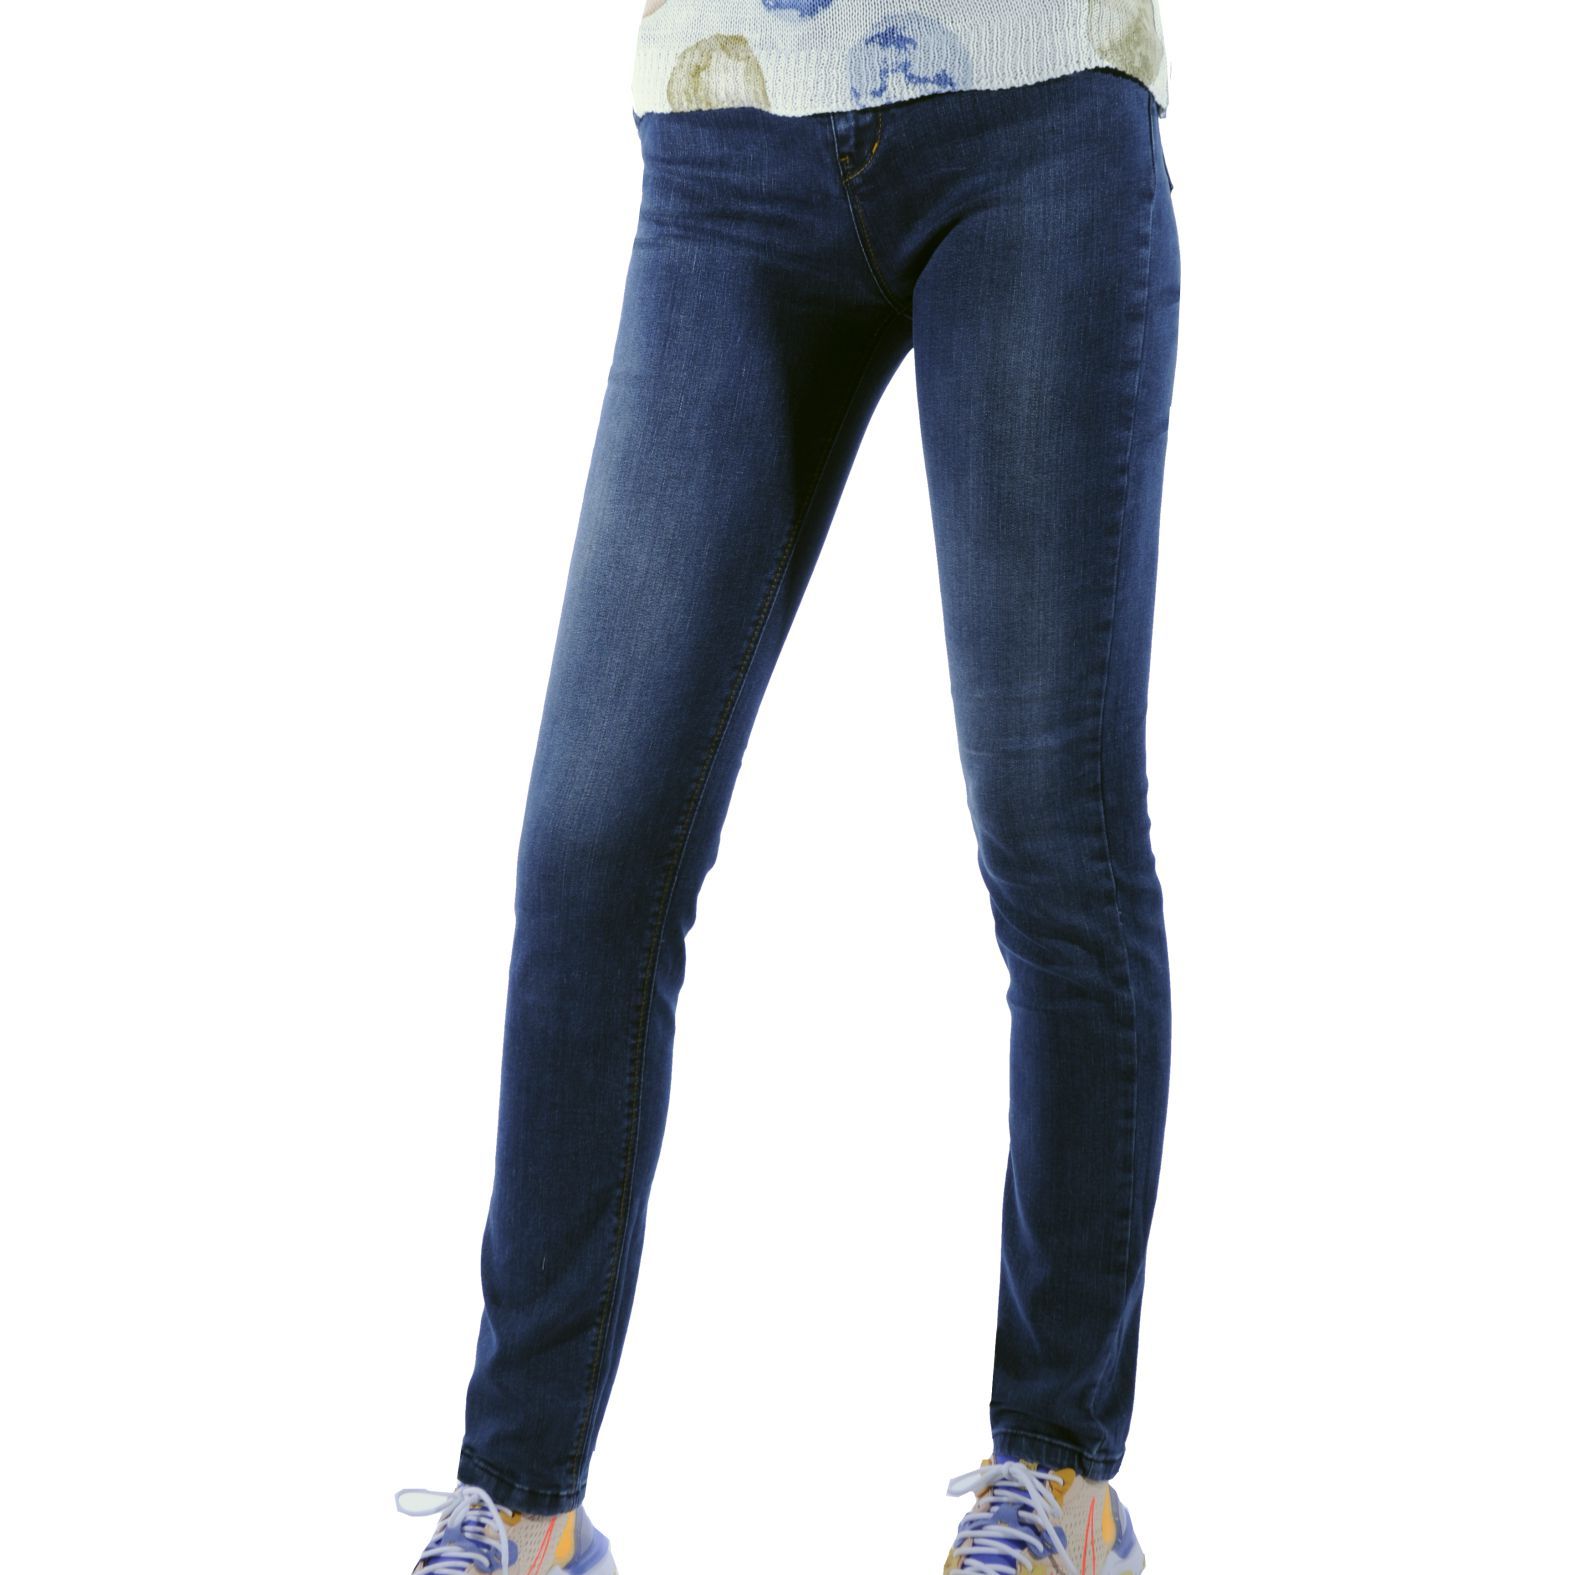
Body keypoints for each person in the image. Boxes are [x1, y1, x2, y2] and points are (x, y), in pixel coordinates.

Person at [397, 2, 1179, 1570]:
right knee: (592, 850)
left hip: (1030, 108)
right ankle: (526, 1506)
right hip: (724, 131)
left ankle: (1060, 1478)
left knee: (1055, 833)